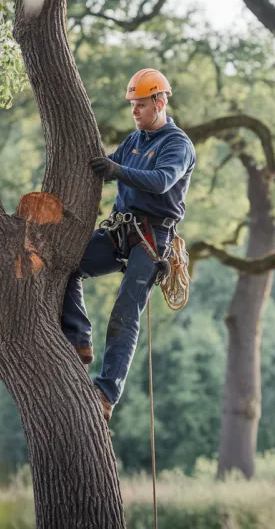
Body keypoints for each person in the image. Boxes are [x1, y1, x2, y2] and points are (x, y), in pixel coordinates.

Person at [61, 68, 196, 422]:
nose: (134, 111)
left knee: (125, 310)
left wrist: (116, 170)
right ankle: (78, 340)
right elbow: (110, 166)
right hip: (122, 230)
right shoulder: (134, 140)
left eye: (140, 105)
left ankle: (106, 393)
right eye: (132, 105)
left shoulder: (177, 144)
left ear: (160, 101)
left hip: (153, 238)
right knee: (65, 262)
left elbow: (162, 181)